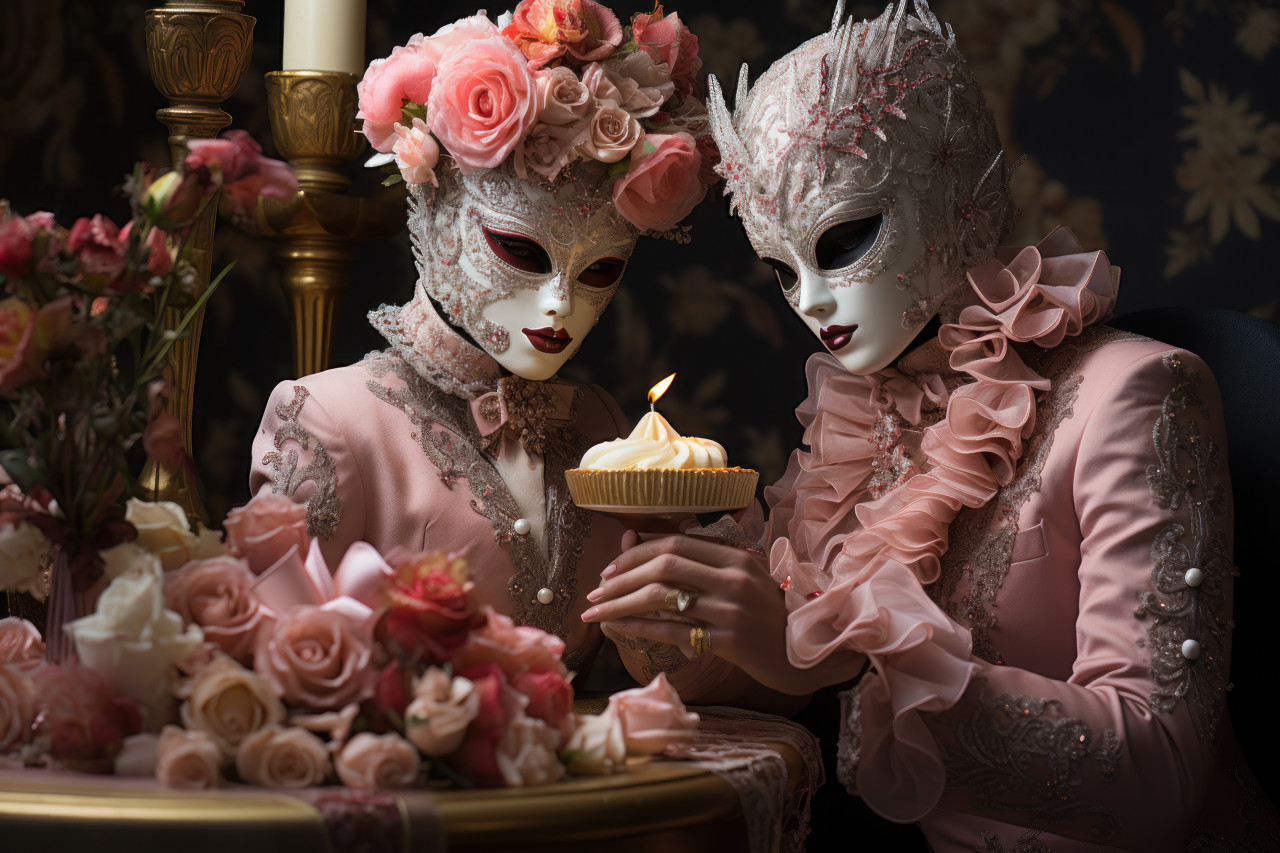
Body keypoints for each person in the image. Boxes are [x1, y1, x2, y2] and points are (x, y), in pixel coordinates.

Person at [581, 1, 1276, 848]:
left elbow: (1161, 771)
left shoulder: (1138, 391)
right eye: (779, 266)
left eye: (842, 239)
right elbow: (796, 674)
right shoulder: (857, 414)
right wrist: (691, 631)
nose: (809, 300)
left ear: (947, 187)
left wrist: (848, 656)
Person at [250, 4, 721, 683]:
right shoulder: (326, 420)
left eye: (599, 271)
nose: (560, 302)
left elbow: (662, 664)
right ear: (439, 216)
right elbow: (280, 663)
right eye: (520, 251)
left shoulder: (603, 428)